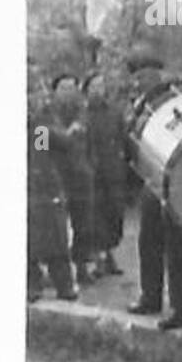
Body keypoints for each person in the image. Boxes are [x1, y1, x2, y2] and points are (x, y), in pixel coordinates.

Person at [124, 52, 169, 317]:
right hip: (150, 181)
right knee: (149, 244)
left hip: (175, 181)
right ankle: (150, 296)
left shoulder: (170, 98)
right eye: (138, 77)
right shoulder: (137, 104)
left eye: (146, 76)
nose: (141, 81)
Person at [27, 72, 77, 302]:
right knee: (28, 241)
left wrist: (43, 128)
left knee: (56, 238)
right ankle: (32, 285)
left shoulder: (42, 121)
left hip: (45, 186)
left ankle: (63, 285)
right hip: (30, 185)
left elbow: (48, 148)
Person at [48, 73, 97, 286]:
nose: (68, 93)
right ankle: (55, 272)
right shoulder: (46, 116)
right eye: (63, 88)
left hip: (81, 175)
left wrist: (91, 167)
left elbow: (91, 143)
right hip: (55, 177)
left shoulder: (84, 114)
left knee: (83, 224)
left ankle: (82, 267)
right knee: (54, 227)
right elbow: (40, 145)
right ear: (55, 92)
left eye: (72, 88)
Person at [83, 70, 128, 277]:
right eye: (94, 86)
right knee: (96, 218)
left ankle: (109, 254)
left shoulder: (115, 112)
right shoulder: (82, 114)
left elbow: (124, 139)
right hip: (91, 174)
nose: (99, 90)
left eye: (101, 86)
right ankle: (100, 259)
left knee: (115, 216)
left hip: (114, 172)